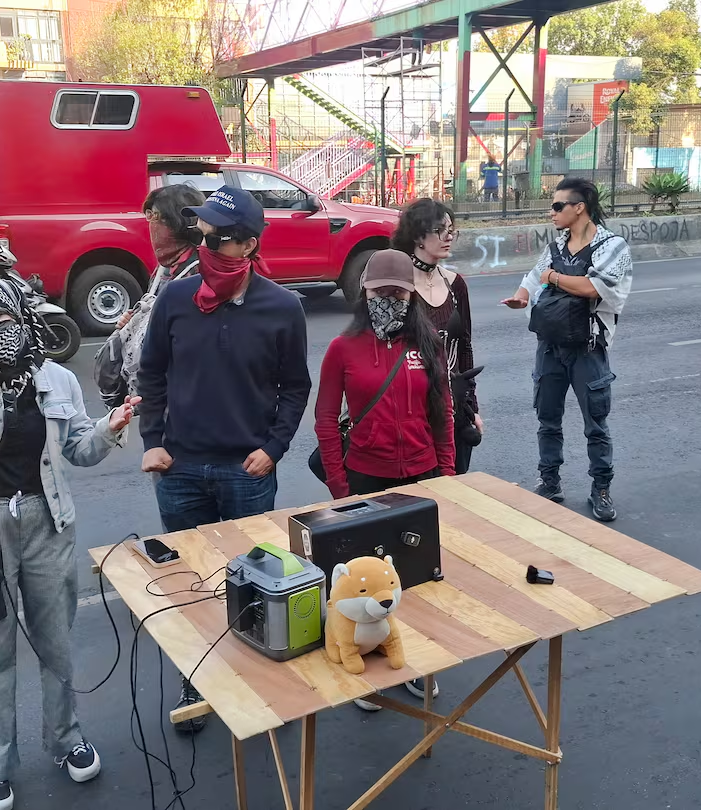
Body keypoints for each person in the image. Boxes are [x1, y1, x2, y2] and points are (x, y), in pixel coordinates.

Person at [0, 276, 139, 810]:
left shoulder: (56, 378)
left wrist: (110, 428)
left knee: (54, 640)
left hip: (46, 521)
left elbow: (80, 452)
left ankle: (66, 738)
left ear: (19, 317)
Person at [137, 186, 312, 732]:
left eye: (221, 237)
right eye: (203, 235)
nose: (208, 244)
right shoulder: (175, 299)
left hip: (247, 472)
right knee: (190, 581)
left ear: (249, 245)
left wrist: (273, 449)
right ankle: (199, 678)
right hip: (181, 469)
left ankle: (252, 671)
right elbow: (152, 374)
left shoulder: (282, 308)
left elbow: (295, 388)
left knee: (248, 578)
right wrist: (152, 442)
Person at [503, 177, 633, 522]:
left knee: (596, 423)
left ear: (580, 208)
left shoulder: (612, 246)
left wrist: (554, 279)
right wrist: (522, 295)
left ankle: (600, 489)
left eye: (558, 206)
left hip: (587, 348)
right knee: (547, 419)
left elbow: (594, 287)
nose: (552, 212)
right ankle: (549, 481)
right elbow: (535, 274)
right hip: (550, 345)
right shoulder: (557, 245)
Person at [314, 249, 455, 500]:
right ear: (364, 293)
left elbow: (443, 412)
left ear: (412, 295)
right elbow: (326, 420)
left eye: (397, 292)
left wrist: (447, 475)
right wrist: (338, 485)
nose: (387, 300)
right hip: (365, 477)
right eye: (378, 292)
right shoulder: (342, 347)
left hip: (424, 474)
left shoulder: (429, 343)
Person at [391, 198, 482, 474]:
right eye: (441, 231)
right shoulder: (397, 283)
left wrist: (471, 408)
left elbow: (464, 347)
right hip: (410, 410)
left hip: (451, 406)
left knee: (453, 486)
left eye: (452, 230)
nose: (449, 237)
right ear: (418, 235)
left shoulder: (456, 284)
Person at [98, 184, 206, 407]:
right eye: (149, 216)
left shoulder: (199, 272)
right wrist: (133, 323)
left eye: (155, 216)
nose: (151, 226)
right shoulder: (163, 270)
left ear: (178, 223)